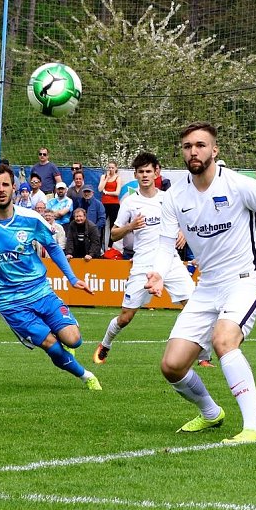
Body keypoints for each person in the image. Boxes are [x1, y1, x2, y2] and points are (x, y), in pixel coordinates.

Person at [144, 122, 256, 444]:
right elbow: (165, 245)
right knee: (172, 365)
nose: (194, 151)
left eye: (201, 145)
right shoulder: (174, 195)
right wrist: (158, 272)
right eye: (188, 146)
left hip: (245, 280)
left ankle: (253, 428)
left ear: (214, 150)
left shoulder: (237, 184)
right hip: (207, 287)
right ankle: (210, 413)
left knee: (224, 341)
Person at [0, 164, 101, 390]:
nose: (1, 189)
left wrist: (73, 279)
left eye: (5, 184)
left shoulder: (31, 218)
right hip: (9, 301)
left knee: (74, 339)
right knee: (51, 345)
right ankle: (86, 376)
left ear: (14, 188)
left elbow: (53, 248)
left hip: (41, 291)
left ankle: (62, 334)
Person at [94, 152, 194, 366]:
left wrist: (183, 233)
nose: (145, 175)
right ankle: (106, 344)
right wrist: (131, 226)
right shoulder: (130, 202)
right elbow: (114, 234)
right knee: (126, 317)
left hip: (170, 260)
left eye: (149, 171)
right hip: (143, 263)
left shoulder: (167, 198)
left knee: (194, 306)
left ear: (156, 172)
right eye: (141, 172)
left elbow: (186, 222)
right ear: (136, 175)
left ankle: (202, 356)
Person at [98, 161, 121, 245]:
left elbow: (117, 192)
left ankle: (110, 246)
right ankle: (100, 245)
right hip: (104, 203)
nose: (110, 169)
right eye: (109, 167)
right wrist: (106, 179)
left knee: (113, 225)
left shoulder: (118, 177)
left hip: (114, 203)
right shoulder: (103, 177)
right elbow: (100, 189)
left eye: (112, 167)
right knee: (102, 224)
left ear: (116, 168)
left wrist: (107, 192)